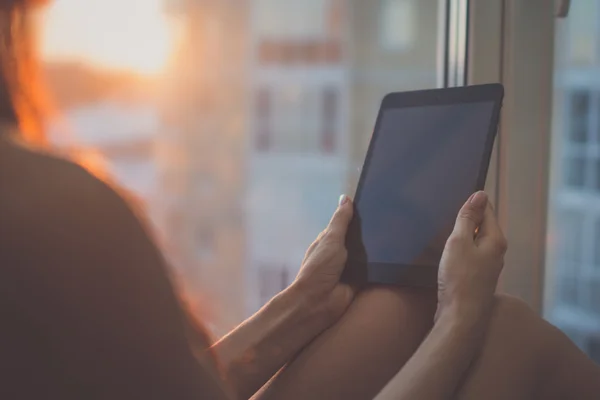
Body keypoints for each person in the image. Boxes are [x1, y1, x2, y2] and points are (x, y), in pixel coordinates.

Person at [1, 1, 599, 399]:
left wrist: (303, 305)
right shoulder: (50, 211)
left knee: (396, 306)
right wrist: (461, 319)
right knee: (508, 331)